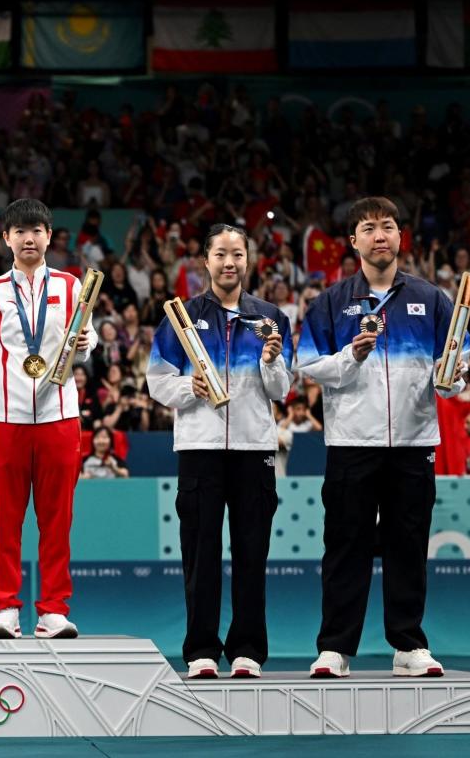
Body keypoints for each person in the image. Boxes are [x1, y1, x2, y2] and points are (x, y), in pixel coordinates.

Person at [296, 197, 470, 680]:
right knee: (345, 545)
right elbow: (307, 366)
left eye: (388, 227)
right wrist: (350, 355)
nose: (380, 235)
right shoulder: (331, 302)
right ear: (353, 241)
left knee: (408, 544)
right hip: (353, 442)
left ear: (400, 236)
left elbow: (458, 365)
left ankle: (409, 644)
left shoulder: (431, 298)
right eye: (369, 228)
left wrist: (450, 377)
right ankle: (335, 648)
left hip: (415, 443)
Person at [146, 223, 292, 679]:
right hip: (200, 448)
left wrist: (270, 361)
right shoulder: (181, 316)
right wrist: (186, 387)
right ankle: (201, 652)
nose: (230, 263)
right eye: (221, 255)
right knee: (201, 553)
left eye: (238, 255)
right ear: (205, 261)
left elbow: (282, 389)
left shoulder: (271, 317)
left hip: (254, 448)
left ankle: (248, 650)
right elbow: (156, 380)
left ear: (249, 261)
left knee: (252, 553)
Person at [0, 198, 95, 640]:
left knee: (57, 519)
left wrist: (84, 342)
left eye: (37, 230)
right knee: (5, 520)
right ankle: (5, 609)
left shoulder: (71, 286)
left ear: (50, 236)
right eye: (20, 231)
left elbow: (88, 341)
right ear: (6, 239)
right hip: (5, 419)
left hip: (60, 416)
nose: (29, 238)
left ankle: (53, 609)